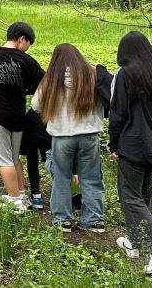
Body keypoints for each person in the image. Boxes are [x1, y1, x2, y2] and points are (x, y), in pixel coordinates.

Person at [109, 32, 152, 274]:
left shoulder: (125, 75)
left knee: (131, 196)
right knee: (143, 195)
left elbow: (118, 114)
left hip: (134, 147)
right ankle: (135, 241)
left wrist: (113, 144)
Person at [32, 43, 106, 231]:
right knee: (91, 178)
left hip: (62, 136)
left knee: (61, 178)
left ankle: (63, 219)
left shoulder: (51, 79)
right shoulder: (91, 75)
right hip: (89, 135)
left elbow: (36, 106)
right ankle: (94, 220)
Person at [0, 22, 44, 212]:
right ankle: (21, 194)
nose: (27, 48)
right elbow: (43, 84)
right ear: (22, 39)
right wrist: (25, 89)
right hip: (17, 116)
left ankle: (14, 200)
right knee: (14, 158)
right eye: (29, 43)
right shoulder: (27, 61)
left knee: (4, 160)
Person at [19, 108, 51, 210]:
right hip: (49, 126)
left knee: (32, 161)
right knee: (53, 161)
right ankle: (60, 198)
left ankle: (36, 196)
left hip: (31, 123)